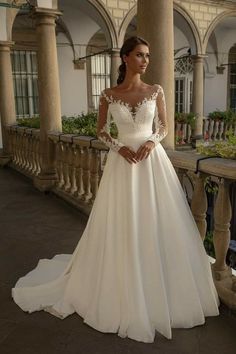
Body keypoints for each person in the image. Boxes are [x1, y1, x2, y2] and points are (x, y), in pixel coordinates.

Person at [12, 36, 220, 343]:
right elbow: (100, 131)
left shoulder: (156, 91)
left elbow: (163, 125)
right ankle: (124, 282)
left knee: (157, 221)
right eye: (139, 55)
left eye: (147, 55)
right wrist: (119, 147)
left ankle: (158, 283)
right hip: (123, 166)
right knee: (123, 222)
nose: (145, 60)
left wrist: (151, 141)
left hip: (152, 163)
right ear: (125, 58)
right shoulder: (109, 94)